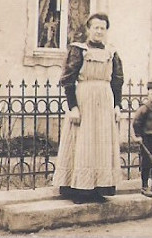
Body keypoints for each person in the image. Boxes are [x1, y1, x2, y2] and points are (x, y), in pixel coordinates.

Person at [52, 13, 124, 203]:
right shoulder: (78, 50)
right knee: (82, 142)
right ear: (88, 29)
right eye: (96, 27)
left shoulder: (112, 52)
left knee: (101, 144)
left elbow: (117, 81)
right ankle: (78, 190)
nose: (99, 31)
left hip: (105, 100)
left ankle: (98, 189)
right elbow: (68, 80)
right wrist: (73, 107)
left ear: (106, 31)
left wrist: (117, 105)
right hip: (84, 99)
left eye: (103, 28)